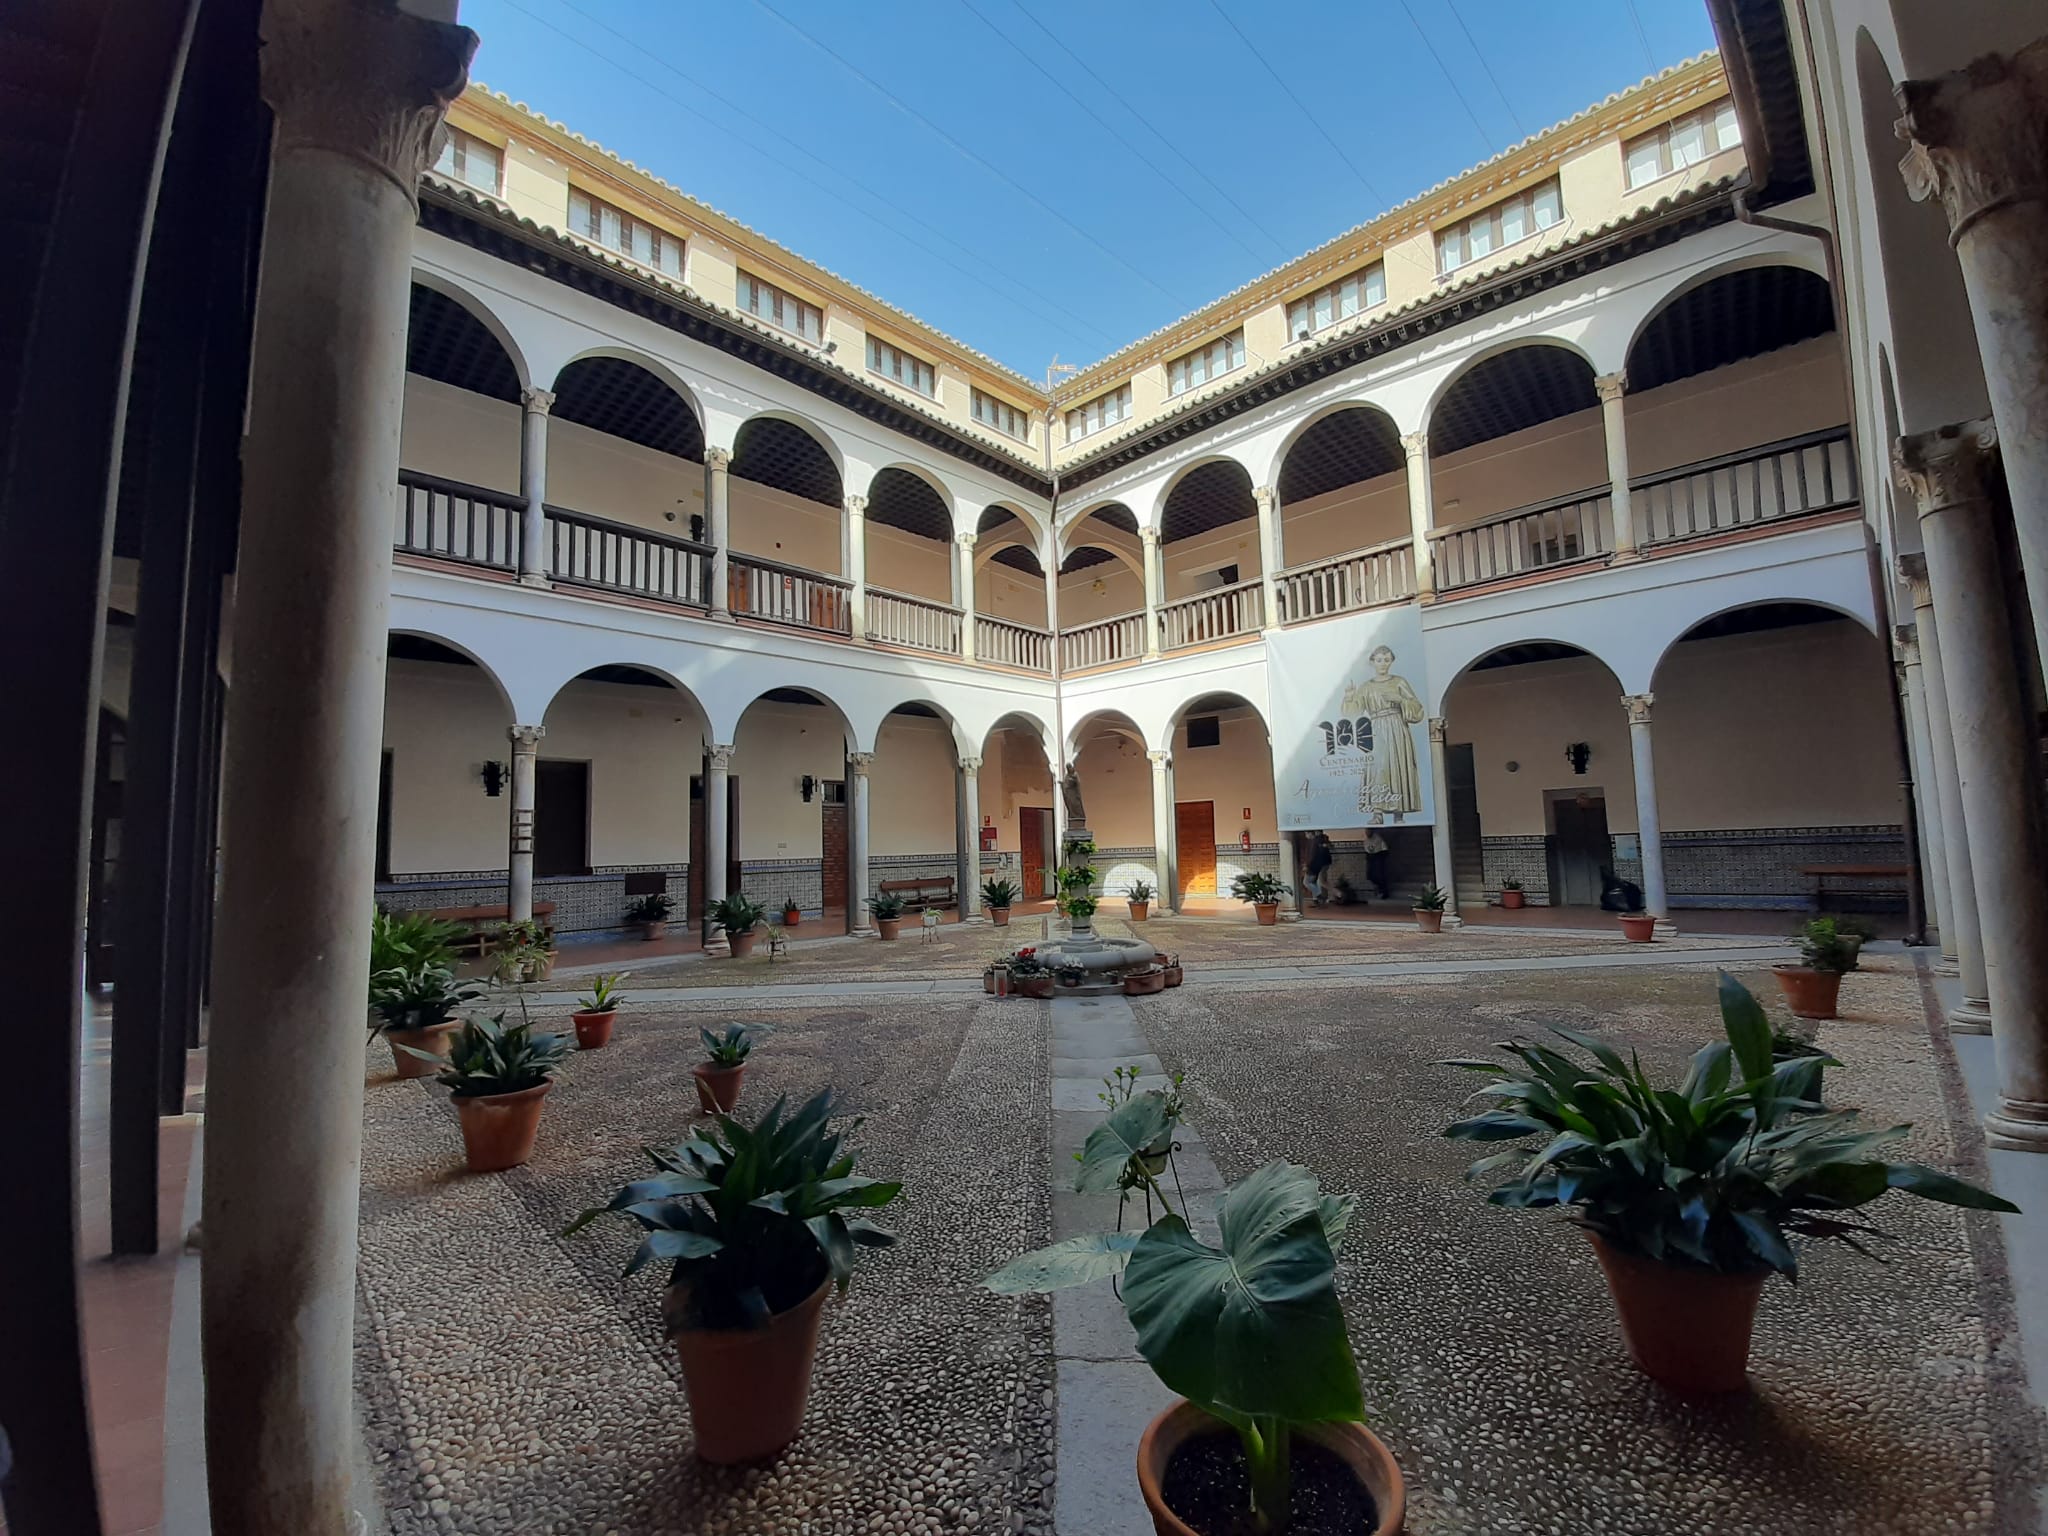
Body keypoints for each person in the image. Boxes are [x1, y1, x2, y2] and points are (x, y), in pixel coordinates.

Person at [1344, 646, 1426, 824]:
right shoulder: (1366, 687)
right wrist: (1350, 697)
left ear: (1391, 662)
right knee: (1377, 769)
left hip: (1397, 728)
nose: (1383, 664)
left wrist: (1401, 700)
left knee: (1397, 766)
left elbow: (1417, 709)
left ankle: (1399, 813)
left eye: (1386, 660)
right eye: (1379, 660)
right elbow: (1352, 714)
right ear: (1373, 662)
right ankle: (1377, 812)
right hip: (1376, 729)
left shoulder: (1399, 682)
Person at [1303, 830, 1334, 906]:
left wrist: (1307, 865)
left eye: (1306, 833)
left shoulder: (1314, 842)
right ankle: (1316, 899)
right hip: (1317, 865)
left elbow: (1312, 855)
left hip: (1313, 866)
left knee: (1306, 882)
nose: (1305, 836)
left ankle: (1319, 895)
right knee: (1314, 882)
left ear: (1310, 833)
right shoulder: (1316, 841)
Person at [1364, 829, 1391, 900]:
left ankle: (1384, 892)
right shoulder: (1366, 840)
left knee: (1380, 876)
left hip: (1378, 859)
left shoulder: (1378, 839)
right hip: (1371, 860)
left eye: (1368, 832)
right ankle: (1379, 888)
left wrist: (1379, 856)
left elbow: (1384, 849)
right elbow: (1367, 850)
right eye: (1366, 832)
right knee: (1370, 876)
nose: (1367, 834)